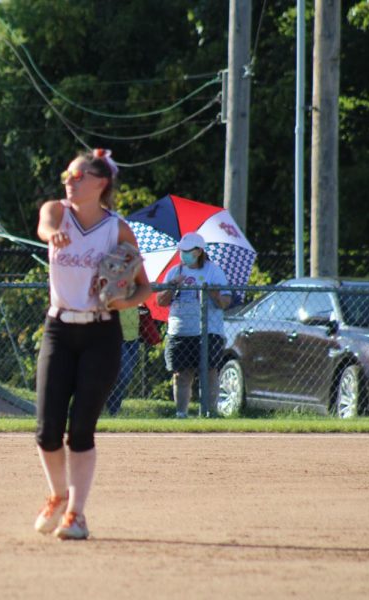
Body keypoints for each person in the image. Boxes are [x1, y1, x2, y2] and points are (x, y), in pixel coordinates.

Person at [33, 148, 151, 540]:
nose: (70, 179)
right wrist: (54, 235)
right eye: (68, 173)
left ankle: (76, 515)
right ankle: (57, 495)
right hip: (59, 329)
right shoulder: (57, 211)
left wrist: (124, 301)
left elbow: (144, 287)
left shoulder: (116, 229)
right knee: (47, 431)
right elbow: (45, 228)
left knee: (80, 430)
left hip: (102, 333)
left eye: (79, 175)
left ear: (101, 183)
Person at [156, 232, 231, 418]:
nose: (183, 255)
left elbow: (225, 301)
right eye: (181, 251)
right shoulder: (174, 272)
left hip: (208, 330)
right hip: (180, 330)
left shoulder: (213, 271)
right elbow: (161, 301)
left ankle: (209, 412)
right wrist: (172, 286)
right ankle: (181, 413)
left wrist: (213, 294)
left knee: (209, 371)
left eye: (187, 251)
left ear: (198, 252)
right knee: (181, 374)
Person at [105, 306, 141, 416]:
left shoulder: (136, 288)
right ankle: (111, 407)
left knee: (126, 376)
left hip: (133, 335)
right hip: (115, 334)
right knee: (125, 374)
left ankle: (114, 411)